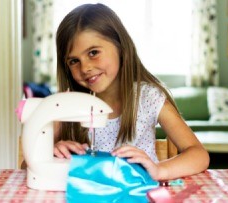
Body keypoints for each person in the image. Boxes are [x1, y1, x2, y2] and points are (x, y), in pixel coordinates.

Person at [53, 3, 209, 181]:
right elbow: (28, 167)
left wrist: (159, 170)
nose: (85, 67)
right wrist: (51, 154)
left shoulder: (148, 99)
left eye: (93, 52)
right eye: (74, 61)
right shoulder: (64, 106)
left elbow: (199, 155)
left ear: (120, 47)